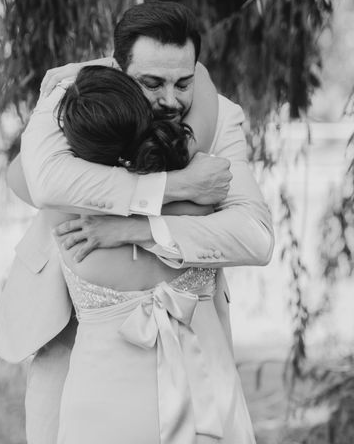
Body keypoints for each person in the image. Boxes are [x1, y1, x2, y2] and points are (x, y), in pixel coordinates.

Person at [0, 1, 273, 444]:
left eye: (185, 82)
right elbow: (41, 183)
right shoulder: (73, 105)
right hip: (72, 334)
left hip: (195, 344)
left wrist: (138, 228)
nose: (170, 100)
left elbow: (253, 235)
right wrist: (176, 187)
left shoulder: (222, 118)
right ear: (118, 68)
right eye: (152, 82)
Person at [50, 64, 255, 443]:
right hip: (202, 392)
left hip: (99, 407)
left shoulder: (61, 210)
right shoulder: (197, 195)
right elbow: (203, 81)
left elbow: (31, 167)